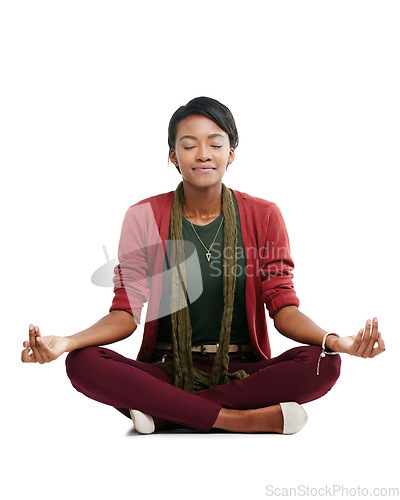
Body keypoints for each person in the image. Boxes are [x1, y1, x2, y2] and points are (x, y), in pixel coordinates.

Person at [21, 96, 385, 435]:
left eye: (215, 143)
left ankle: (165, 414)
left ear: (231, 154)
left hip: (242, 370)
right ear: (173, 156)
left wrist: (336, 340)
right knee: (82, 363)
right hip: (167, 368)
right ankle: (244, 420)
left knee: (324, 362)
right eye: (189, 144)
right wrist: (67, 342)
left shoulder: (264, 215)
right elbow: (125, 313)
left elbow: (283, 307)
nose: (203, 154)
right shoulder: (144, 216)